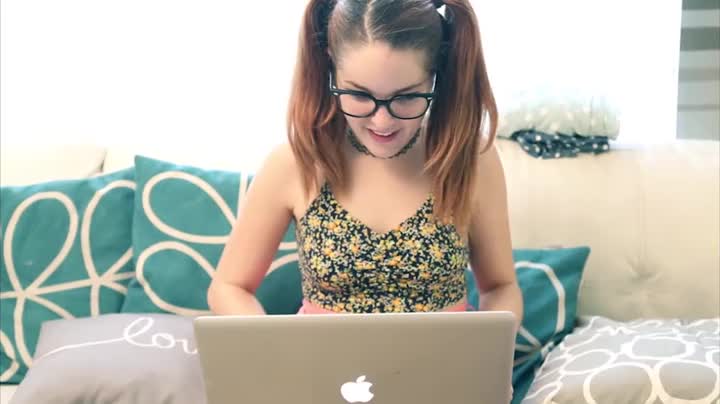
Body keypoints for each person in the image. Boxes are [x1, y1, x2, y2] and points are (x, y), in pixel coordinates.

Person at [207, 0, 523, 330]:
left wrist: (490, 349)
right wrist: (277, 347)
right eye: (359, 95)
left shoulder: (470, 158)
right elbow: (229, 287)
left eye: (406, 97)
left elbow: (500, 287)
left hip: (445, 361)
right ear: (330, 67)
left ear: (436, 77)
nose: (382, 121)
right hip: (322, 362)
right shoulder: (295, 162)